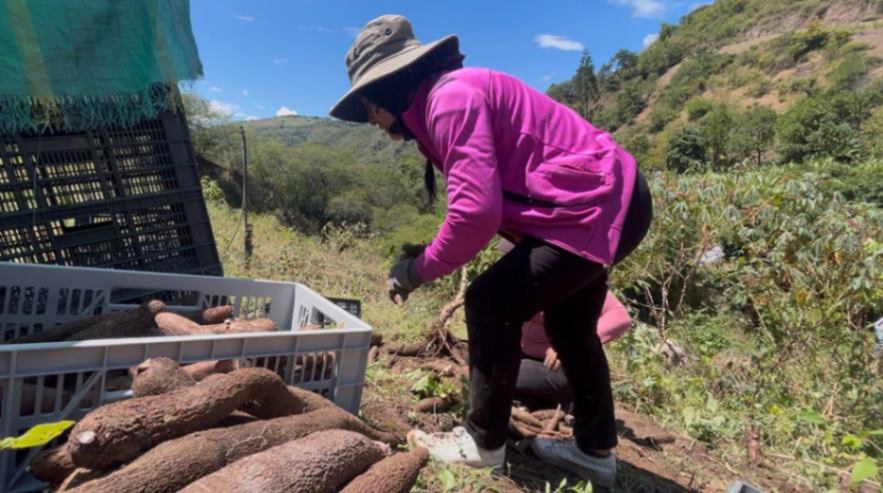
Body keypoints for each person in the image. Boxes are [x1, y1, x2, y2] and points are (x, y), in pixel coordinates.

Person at [330, 15, 653, 490]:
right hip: (615, 200)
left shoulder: (449, 99)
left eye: (371, 106)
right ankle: (594, 453)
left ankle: (482, 444)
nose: (374, 121)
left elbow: (475, 214)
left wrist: (415, 271)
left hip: (595, 206)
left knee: (490, 302)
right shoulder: (447, 98)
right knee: (568, 324)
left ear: (393, 86)